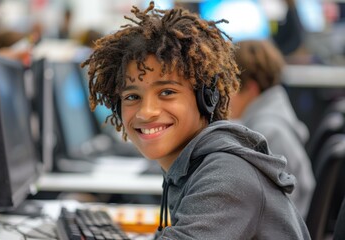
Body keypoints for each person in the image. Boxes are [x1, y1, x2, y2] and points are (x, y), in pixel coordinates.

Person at [82, 2, 311, 239]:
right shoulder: (193, 166)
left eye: (167, 92)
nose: (146, 111)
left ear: (206, 98)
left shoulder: (226, 176)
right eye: (132, 97)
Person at [229, 39, 315, 218]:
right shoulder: (274, 116)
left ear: (251, 88)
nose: (225, 96)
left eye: (230, 87)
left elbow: (278, 213)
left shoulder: (268, 132)